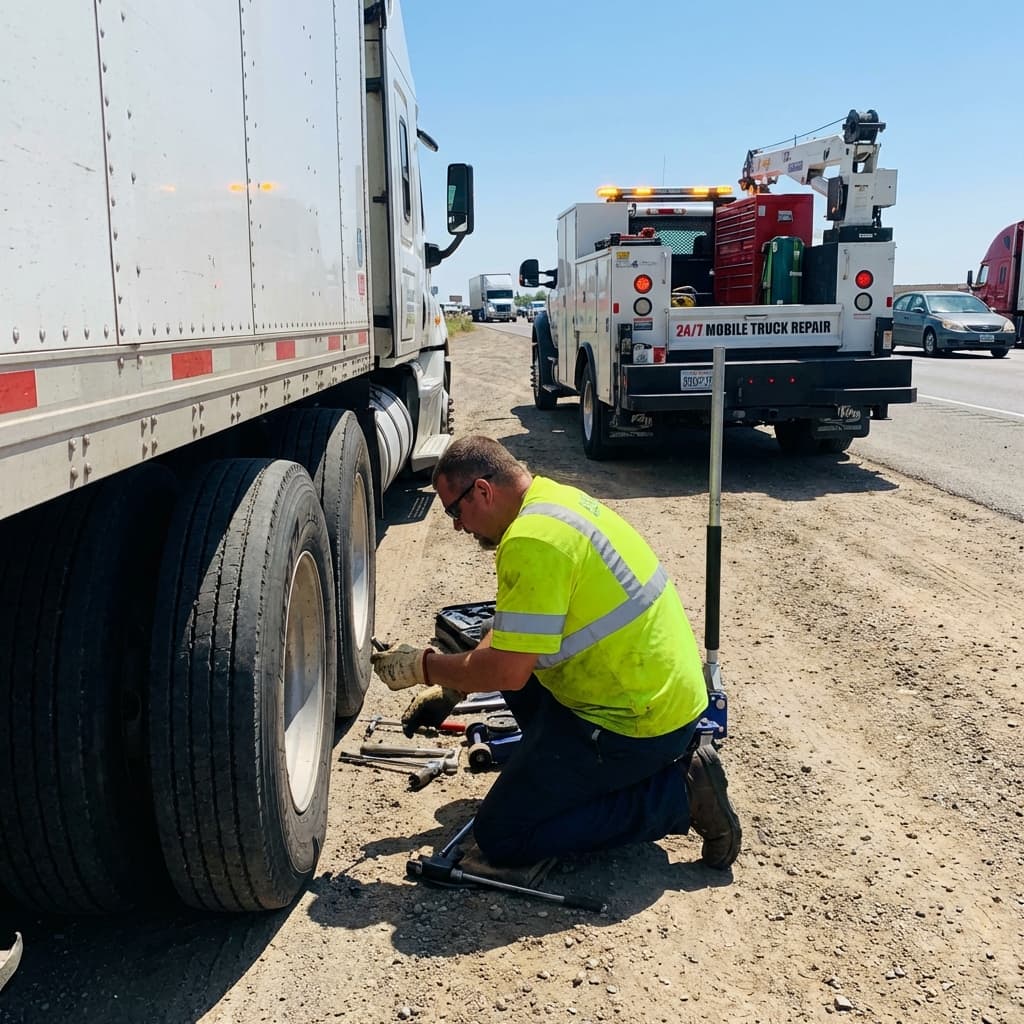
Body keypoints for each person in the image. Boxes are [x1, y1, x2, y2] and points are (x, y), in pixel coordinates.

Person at [371, 436, 741, 874]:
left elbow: (507, 671)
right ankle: (574, 776)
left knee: (501, 836)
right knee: (516, 662)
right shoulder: (551, 501)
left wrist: (423, 667)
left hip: (639, 723)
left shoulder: (532, 541)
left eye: (455, 511)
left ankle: (678, 795)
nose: (457, 526)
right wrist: (452, 689)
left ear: (484, 491)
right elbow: (510, 633)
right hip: (652, 696)